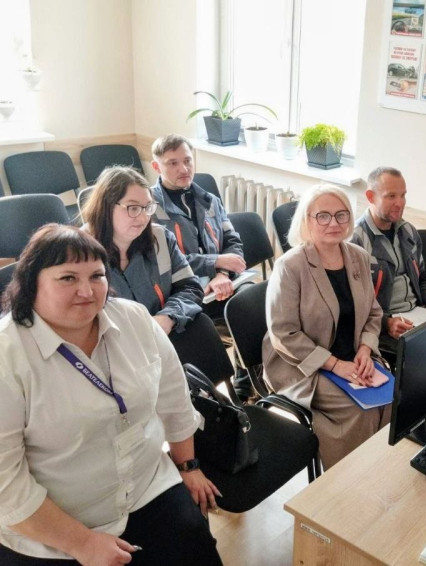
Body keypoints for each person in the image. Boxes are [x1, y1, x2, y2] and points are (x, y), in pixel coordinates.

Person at [0, 224, 222, 565]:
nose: (86, 291)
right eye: (68, 278)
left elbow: (175, 398)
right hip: (54, 527)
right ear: (32, 284)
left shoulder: (134, 318)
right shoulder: (8, 355)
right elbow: (6, 487)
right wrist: (82, 543)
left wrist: (188, 465)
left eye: (97, 276)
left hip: (148, 486)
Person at [262, 184, 388, 469]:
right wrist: (335, 365)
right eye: (323, 216)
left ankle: (379, 469)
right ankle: (347, 479)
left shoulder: (358, 256)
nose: (334, 223)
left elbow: (373, 312)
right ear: (307, 220)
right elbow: (283, 334)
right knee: (361, 410)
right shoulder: (290, 266)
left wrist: (365, 350)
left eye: (342, 215)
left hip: (352, 354)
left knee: (391, 398)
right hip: (300, 364)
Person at [150, 134, 251, 397]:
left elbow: (232, 241)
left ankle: (246, 379)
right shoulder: (149, 209)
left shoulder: (209, 200)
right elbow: (167, 262)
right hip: (183, 291)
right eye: (172, 163)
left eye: (187, 160)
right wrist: (214, 262)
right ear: (156, 166)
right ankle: (203, 393)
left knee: (251, 304)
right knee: (215, 324)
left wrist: (222, 273)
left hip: (220, 284)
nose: (183, 168)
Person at [83, 166, 203, 336]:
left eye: (148, 207)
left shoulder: (160, 238)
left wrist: (168, 317)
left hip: (166, 335)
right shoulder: (80, 253)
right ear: (106, 207)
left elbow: (190, 287)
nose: (143, 218)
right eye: (133, 208)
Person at [350, 167, 426, 358]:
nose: (400, 203)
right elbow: (354, 305)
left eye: (403, 195)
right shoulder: (356, 240)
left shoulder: (409, 231)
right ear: (370, 197)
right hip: (381, 325)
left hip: (417, 315)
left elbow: (422, 281)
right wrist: (386, 323)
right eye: (391, 196)